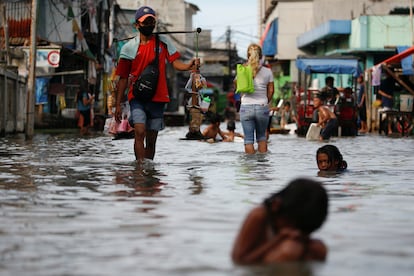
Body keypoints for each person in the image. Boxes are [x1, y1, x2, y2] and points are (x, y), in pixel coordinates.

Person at [114, 6, 198, 162]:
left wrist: (189, 66)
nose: (149, 25)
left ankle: (148, 170)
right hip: (137, 97)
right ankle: (140, 168)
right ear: (137, 25)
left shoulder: (163, 43)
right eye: (145, 22)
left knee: (151, 140)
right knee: (139, 132)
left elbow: (175, 63)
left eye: (152, 21)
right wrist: (118, 104)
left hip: (158, 98)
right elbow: (123, 78)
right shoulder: (128, 48)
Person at [231, 178, 329, 264]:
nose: (295, 232)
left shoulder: (300, 221)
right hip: (265, 262)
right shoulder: (259, 215)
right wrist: (279, 238)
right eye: (293, 226)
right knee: (291, 249)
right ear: (276, 206)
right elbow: (239, 260)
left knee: (318, 248)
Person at [236, 44, 274, 154]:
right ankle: (262, 167)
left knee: (248, 140)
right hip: (262, 106)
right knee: (262, 138)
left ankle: (250, 167)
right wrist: (265, 102)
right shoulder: (268, 71)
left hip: (246, 107)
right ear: (261, 56)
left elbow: (237, 86)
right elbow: (271, 90)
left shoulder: (242, 69)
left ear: (248, 55)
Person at [377, 69, 395, 135]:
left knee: (390, 116)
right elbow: (379, 91)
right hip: (386, 101)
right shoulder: (384, 81)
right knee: (388, 115)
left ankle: (387, 128)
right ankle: (389, 129)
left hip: (390, 101)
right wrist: (387, 96)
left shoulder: (392, 81)